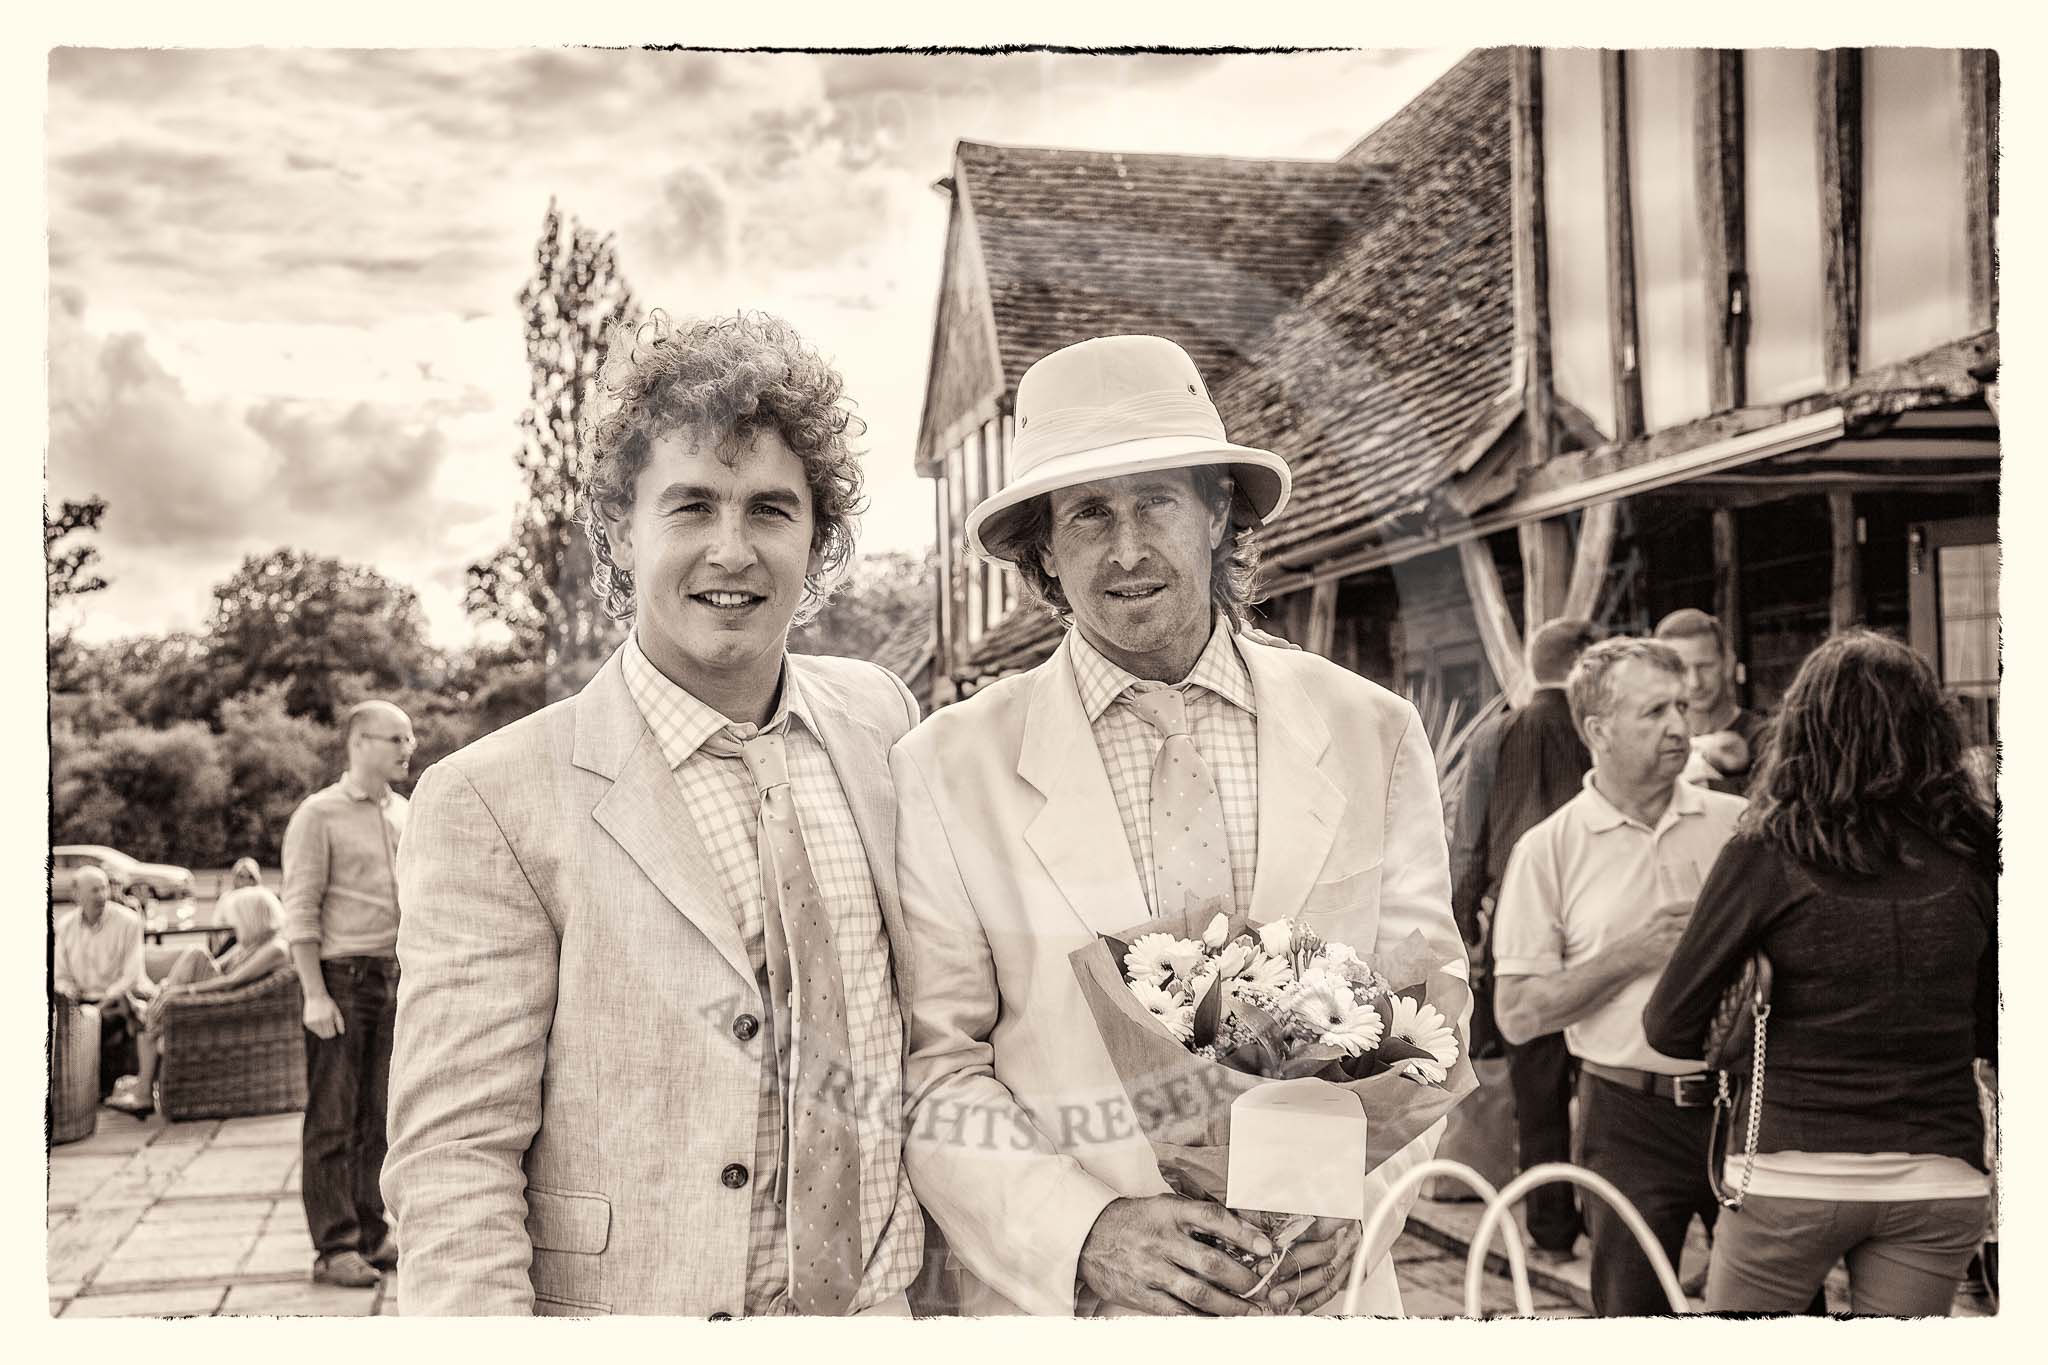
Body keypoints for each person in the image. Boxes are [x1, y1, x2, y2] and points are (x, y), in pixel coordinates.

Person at [892, 334, 1467, 1317]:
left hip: (1320, 1307)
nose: (1125, 550)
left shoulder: (1369, 729)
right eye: (1086, 515)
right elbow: (937, 1068)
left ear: (1216, 512)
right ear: (1040, 547)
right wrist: (1084, 1234)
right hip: (1087, 1315)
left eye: (1155, 499)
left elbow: (1424, 1012)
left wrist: (1355, 1203)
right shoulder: (949, 768)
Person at [383, 311, 926, 1318]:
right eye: (690, 508)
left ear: (818, 540)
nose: (731, 549)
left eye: (770, 509)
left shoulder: (881, 720)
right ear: (619, 537)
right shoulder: (489, 800)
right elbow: (453, 1157)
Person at [1644, 630, 1997, 1316]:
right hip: (1938, 1171)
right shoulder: (1975, 852)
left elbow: (1670, 1024)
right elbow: (1995, 1026)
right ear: (1932, 730)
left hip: (1788, 1169)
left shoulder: (1766, 849)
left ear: (1804, 731)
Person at [1491, 637, 1746, 1315]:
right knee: (1631, 1318)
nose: (1679, 727)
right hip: (1626, 1115)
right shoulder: (1549, 850)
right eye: (1655, 710)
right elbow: (1516, 1013)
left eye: (1683, 707)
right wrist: (1634, 952)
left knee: (1776, 1317)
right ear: (1597, 730)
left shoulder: (1738, 826)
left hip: (1748, 1105)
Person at [1451, 617, 1602, 1263]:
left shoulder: (1492, 735)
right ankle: (1610, 1214)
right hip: (1600, 925)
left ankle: (1551, 1228)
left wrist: (1464, 931)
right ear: (1583, 660)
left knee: (1537, 1086)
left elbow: (1468, 846)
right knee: (1605, 1080)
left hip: (1520, 937)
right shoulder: (1601, 729)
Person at [282, 698, 415, 1288]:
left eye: (408, 738)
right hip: (340, 979)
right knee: (333, 1119)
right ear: (359, 742)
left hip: (395, 976)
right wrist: (314, 994)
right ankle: (333, 1246)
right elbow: (300, 910)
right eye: (396, 739)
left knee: (378, 1116)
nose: (407, 748)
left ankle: (370, 1231)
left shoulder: (407, 813)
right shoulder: (319, 815)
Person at [106, 858, 290, 1116]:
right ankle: (150, 1018)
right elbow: (219, 966)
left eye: (240, 920)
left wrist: (185, 991)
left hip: (227, 1007)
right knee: (154, 1025)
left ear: (254, 918)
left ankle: (147, 1014)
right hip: (217, 1001)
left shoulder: (275, 948)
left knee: (195, 955)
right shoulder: (248, 945)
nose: (236, 926)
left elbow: (231, 982)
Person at [53, 864, 150, 1098]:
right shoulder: (64, 927)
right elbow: (61, 975)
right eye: (94, 890)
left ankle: (96, 1093)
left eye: (104, 888)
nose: (102, 896)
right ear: (77, 895)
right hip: (82, 1001)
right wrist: (69, 993)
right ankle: (73, 1096)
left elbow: (131, 976)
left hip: (123, 998)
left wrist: (99, 1007)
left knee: (104, 1023)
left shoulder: (128, 921)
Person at [1654, 609, 1769, 795]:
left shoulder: (1766, 740)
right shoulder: (1654, 743)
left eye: (1704, 667)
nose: (1695, 682)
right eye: (1682, 670)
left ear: (1728, 664)